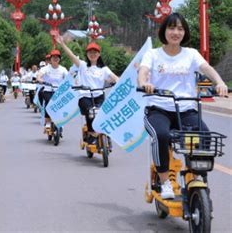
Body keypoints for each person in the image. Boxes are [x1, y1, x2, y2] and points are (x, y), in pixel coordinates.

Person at [138, 13, 227, 200]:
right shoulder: (153, 54)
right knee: (161, 135)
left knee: (205, 134)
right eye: (171, 28)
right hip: (158, 109)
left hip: (186, 110)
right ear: (164, 31)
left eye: (180, 28)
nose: (175, 32)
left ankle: (194, 176)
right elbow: (143, 72)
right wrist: (144, 82)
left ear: (184, 32)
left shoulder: (191, 54)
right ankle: (165, 182)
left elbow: (207, 69)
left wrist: (219, 82)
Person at [56, 34, 119, 144]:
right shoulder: (83, 65)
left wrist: (118, 82)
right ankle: (90, 133)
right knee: (91, 112)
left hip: (99, 96)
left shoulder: (104, 69)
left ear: (99, 54)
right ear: (87, 54)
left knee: (104, 113)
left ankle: (103, 135)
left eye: (95, 52)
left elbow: (114, 78)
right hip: (85, 97)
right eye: (90, 52)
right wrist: (62, 44)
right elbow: (71, 56)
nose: (93, 54)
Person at [36, 49, 69, 130]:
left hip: (59, 91)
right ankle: (47, 121)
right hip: (48, 90)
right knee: (49, 103)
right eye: (53, 57)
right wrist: (41, 80)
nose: (55, 58)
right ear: (50, 59)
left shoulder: (63, 69)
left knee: (60, 105)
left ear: (59, 59)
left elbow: (69, 79)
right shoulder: (46, 69)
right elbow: (39, 76)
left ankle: (60, 121)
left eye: (57, 57)